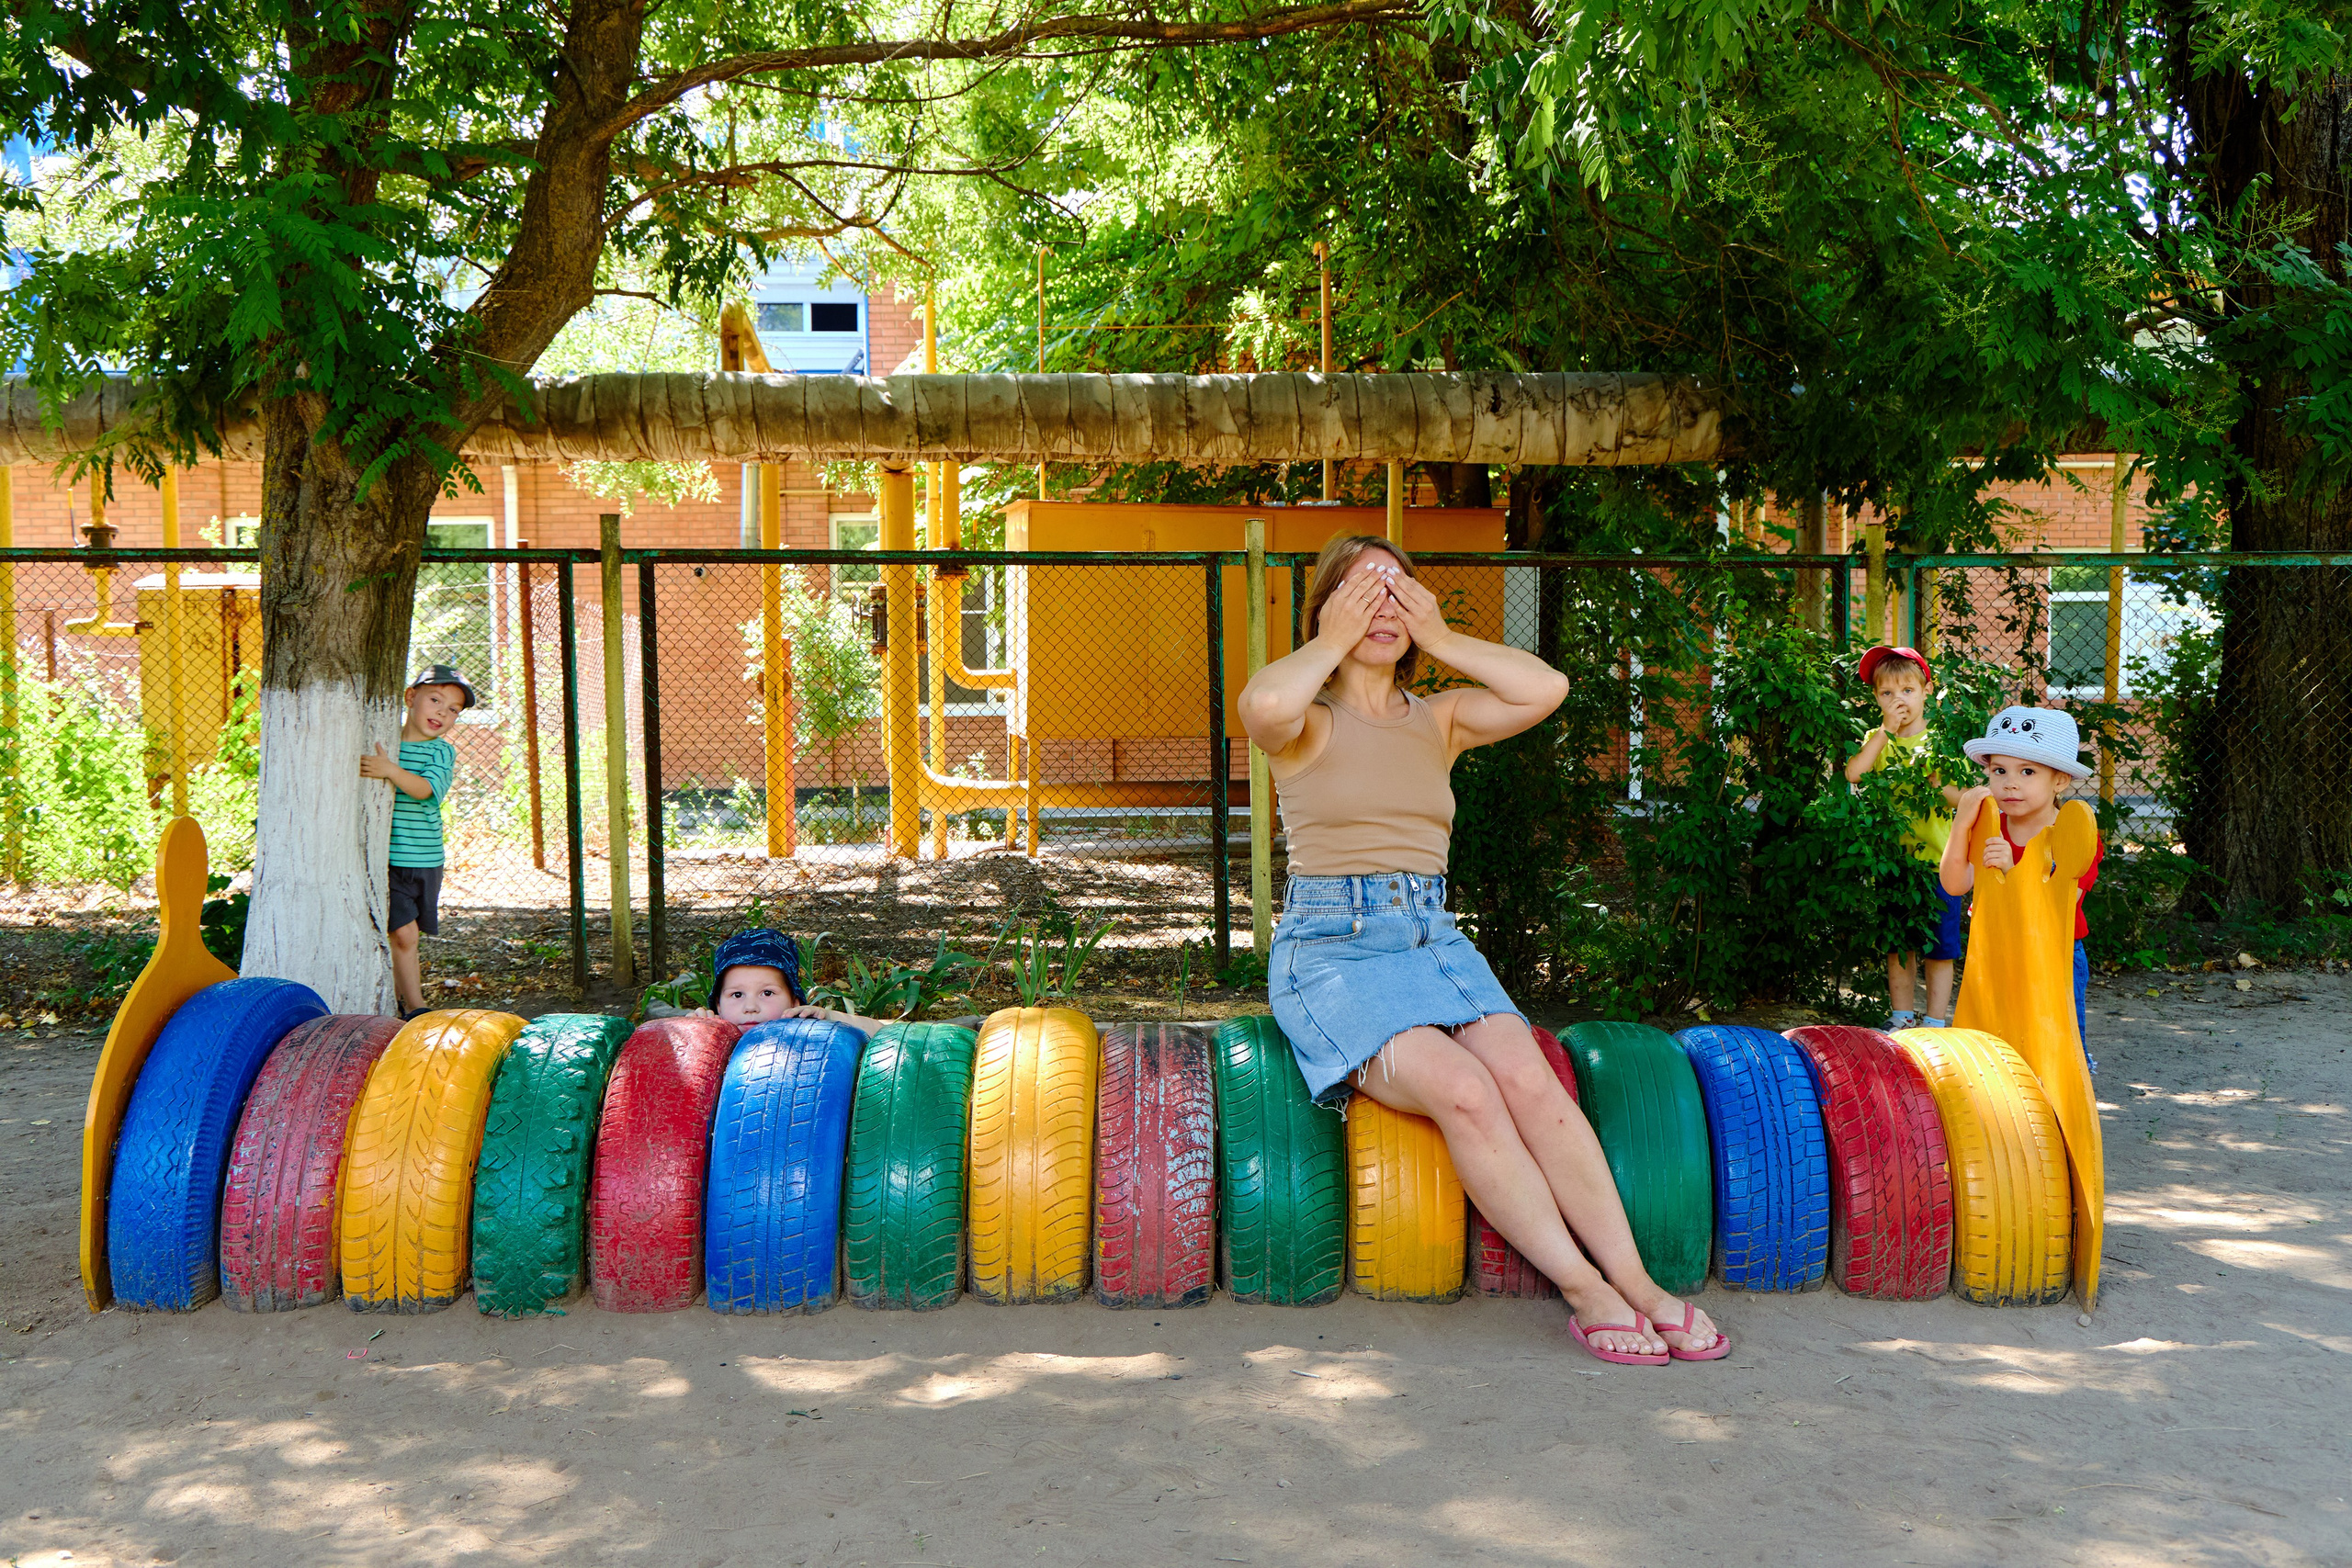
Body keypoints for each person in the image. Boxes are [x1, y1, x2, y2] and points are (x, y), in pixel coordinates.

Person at [1238, 534, 1727, 1365]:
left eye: (1398, 592)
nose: (1381, 608)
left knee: (1528, 1074)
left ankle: (1639, 1283)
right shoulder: (1308, 723)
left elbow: (1548, 687)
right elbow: (1261, 704)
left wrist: (1444, 638)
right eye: (1362, 592)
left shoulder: (1443, 718)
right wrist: (1329, 637)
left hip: (1432, 937)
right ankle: (1586, 1290)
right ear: (1327, 607)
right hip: (1332, 949)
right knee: (1465, 1091)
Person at [1937, 705, 2103, 1070]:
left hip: (2054, 956)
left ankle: (2057, 1120)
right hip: (1994, 951)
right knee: (1992, 1046)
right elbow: (1954, 884)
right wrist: (1961, 825)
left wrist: (2015, 871)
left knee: (2053, 1051)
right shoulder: (1988, 827)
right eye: (1999, 771)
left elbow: (2058, 906)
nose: (2010, 782)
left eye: (2027, 771)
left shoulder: (2074, 835)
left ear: (2059, 780)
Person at [1842, 646, 1964, 1029]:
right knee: (1898, 946)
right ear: (1876, 698)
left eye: (1907, 691)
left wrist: (1934, 781)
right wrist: (1885, 733)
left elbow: (1962, 796)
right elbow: (1854, 773)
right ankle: (1901, 1017)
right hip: (1893, 862)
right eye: (1887, 693)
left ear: (1926, 691)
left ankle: (1935, 1023)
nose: (1899, 701)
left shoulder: (1939, 742)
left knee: (1940, 950)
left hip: (1938, 863)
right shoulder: (1877, 740)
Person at [360, 664, 472, 1020]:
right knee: (404, 933)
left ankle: (396, 998)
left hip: (425, 859)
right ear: (411, 697)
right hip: (388, 860)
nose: (442, 711)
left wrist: (390, 770)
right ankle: (417, 1009)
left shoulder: (441, 753)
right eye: (435, 699)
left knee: (406, 936)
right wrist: (386, 764)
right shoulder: (382, 740)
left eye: (453, 709)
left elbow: (425, 790)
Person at [690, 929, 891, 1035]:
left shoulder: (804, 1030)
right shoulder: (712, 1035)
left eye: (767, 993)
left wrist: (828, 1018)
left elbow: (884, 1034)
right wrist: (693, 1028)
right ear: (718, 1005)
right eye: (737, 994)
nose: (750, 1007)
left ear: (794, 1001)